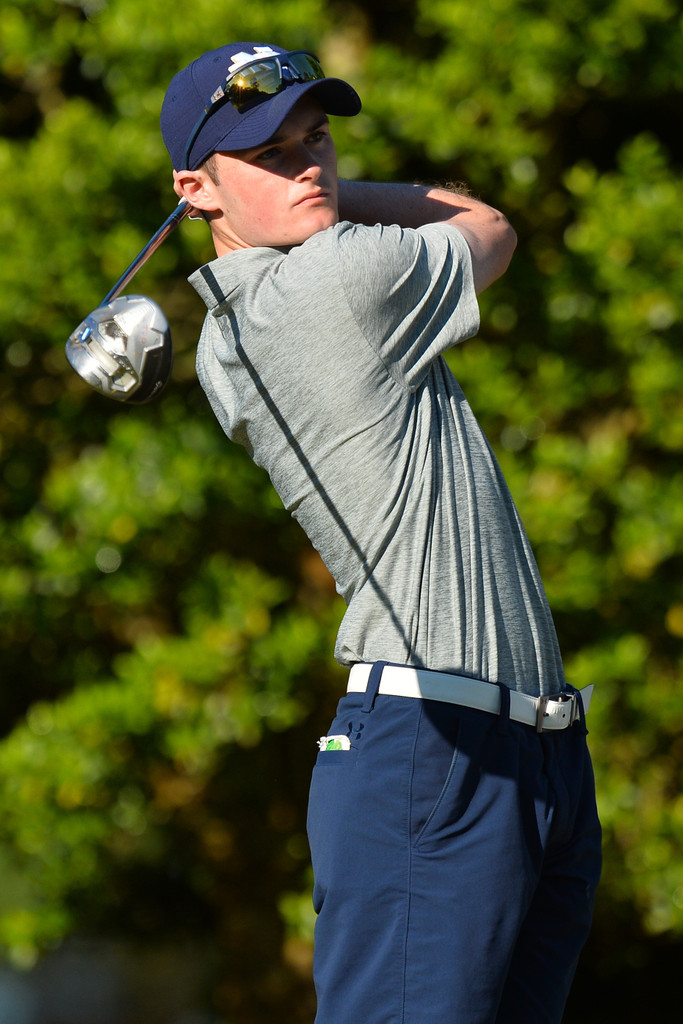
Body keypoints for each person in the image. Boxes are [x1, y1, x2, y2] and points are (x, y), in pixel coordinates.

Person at [161, 42, 601, 1024]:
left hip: (522, 749)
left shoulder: (256, 312)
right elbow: (485, 224)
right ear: (195, 190)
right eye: (270, 156)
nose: (308, 164)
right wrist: (347, 192)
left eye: (315, 139)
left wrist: (297, 191)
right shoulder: (331, 288)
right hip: (432, 754)